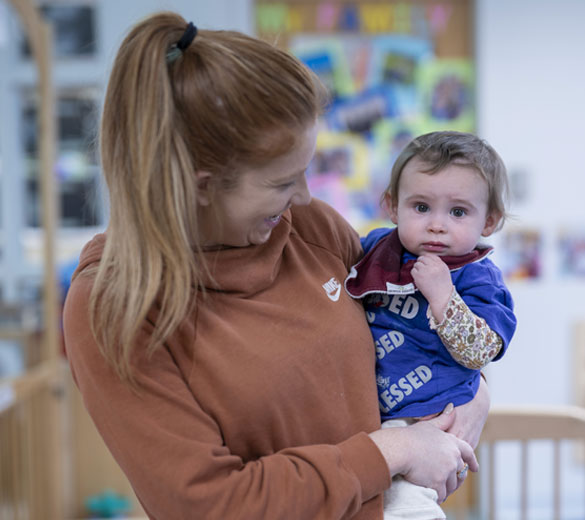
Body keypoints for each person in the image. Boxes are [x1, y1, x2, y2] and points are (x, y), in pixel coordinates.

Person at [63, 12, 487, 519]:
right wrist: (392, 451)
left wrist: (475, 394)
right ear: (202, 186)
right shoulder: (116, 303)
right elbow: (210, 505)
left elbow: (415, 327)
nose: (304, 196)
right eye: (282, 181)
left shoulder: (310, 227)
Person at [345, 131, 517, 519]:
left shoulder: (477, 279)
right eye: (421, 207)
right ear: (392, 206)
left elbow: (479, 352)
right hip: (367, 417)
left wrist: (444, 298)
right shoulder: (374, 249)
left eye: (458, 212)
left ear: (489, 220)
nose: (436, 225)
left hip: (429, 418)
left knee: (407, 508)